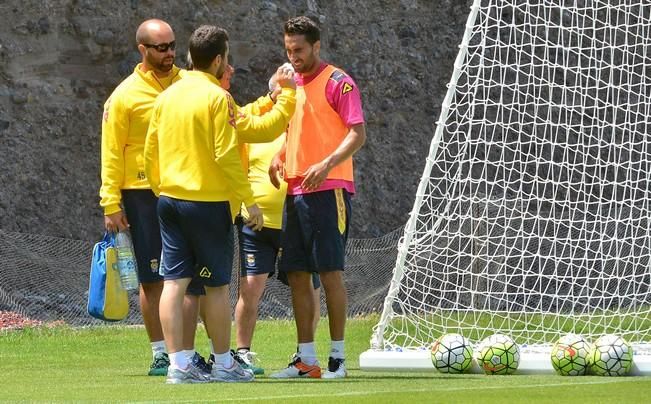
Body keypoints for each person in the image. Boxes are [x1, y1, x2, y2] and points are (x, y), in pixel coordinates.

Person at [144, 25, 295, 384]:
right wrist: (249, 201)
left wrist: (160, 189)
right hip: (207, 203)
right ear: (217, 60)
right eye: (226, 59)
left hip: (169, 199)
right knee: (215, 286)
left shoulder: (166, 96)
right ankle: (224, 363)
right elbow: (232, 151)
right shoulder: (217, 98)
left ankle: (178, 365)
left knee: (174, 282)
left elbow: (151, 151)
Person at [269, 16, 366, 380]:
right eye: (288, 49)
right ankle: (306, 360)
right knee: (296, 274)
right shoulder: (290, 85)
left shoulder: (338, 82)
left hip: (329, 190)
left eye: (299, 50)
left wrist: (326, 164)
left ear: (316, 47)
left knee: (330, 274)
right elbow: (298, 129)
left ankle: (338, 357)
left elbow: (357, 133)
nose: (293, 56)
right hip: (295, 191)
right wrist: (281, 154)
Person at [99, 18, 181, 376]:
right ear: (143, 50)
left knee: (186, 277)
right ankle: (161, 353)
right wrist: (110, 202)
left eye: (172, 46)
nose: (169, 54)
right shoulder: (124, 96)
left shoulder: (187, 83)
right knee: (152, 279)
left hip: (184, 188)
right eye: (161, 48)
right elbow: (111, 151)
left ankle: (187, 352)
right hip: (141, 192)